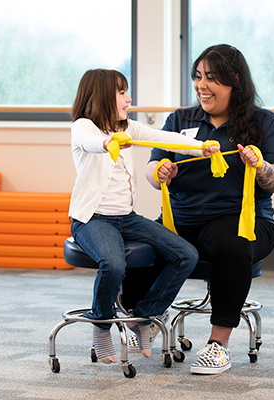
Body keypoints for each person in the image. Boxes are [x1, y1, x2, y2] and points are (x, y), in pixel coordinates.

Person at [138, 44, 274, 374]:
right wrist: (160, 172)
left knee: (230, 243)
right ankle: (148, 314)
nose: (201, 85)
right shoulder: (180, 119)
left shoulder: (265, 123)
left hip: (243, 221)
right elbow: (152, 170)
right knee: (136, 241)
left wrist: (261, 166)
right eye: (197, 77)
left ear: (234, 80)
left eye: (211, 78)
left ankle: (217, 345)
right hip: (181, 220)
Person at [69, 68, 219, 365]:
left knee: (185, 255)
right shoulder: (84, 126)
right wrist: (108, 143)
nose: (129, 98)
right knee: (113, 264)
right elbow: (88, 140)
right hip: (92, 219)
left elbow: (164, 137)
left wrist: (200, 148)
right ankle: (101, 326)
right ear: (101, 95)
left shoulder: (127, 127)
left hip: (127, 217)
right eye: (122, 92)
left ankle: (143, 316)